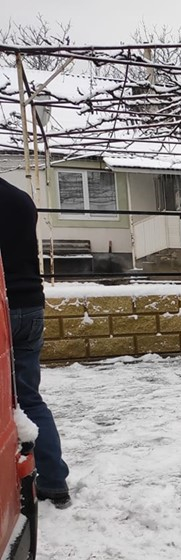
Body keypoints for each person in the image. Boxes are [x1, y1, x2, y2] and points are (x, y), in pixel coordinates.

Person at [0, 178, 70, 508]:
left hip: (3, 305)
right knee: (27, 396)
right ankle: (54, 481)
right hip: (30, 306)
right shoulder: (20, 199)